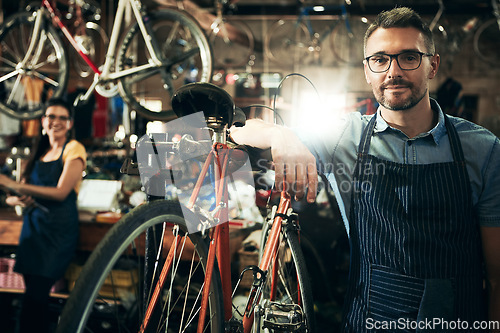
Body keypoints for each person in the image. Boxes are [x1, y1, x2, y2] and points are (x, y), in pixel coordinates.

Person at [231, 7, 500, 332]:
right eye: (380, 59)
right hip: (369, 321)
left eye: (409, 57)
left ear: (433, 65)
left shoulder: (482, 149)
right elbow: (240, 130)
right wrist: (280, 133)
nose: (393, 71)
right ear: (367, 70)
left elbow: (497, 275)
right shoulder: (344, 137)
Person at [0, 98, 86, 333]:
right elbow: (14, 195)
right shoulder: (39, 152)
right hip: (33, 231)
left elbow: (60, 193)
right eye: (51, 116)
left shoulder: (74, 149)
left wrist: (14, 185)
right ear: (42, 121)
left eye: (61, 117)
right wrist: (17, 196)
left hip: (57, 233)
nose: (55, 121)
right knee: (32, 297)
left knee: (35, 298)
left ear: (69, 124)